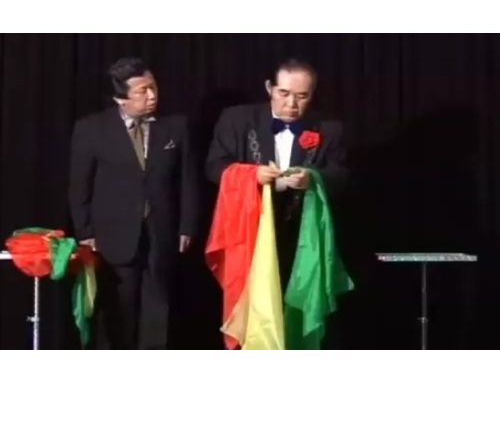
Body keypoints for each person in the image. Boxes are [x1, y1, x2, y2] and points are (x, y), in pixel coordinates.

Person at [68, 57, 199, 350]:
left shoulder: (175, 127)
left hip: (161, 232)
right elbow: (80, 186)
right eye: (142, 91)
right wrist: (85, 232)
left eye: (153, 87)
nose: (152, 95)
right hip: (113, 236)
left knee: (159, 306)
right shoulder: (92, 129)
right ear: (120, 98)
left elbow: (188, 180)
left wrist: (187, 225)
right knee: (118, 309)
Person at [205, 58, 348, 285]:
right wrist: (252, 175)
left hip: (302, 234)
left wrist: (312, 179)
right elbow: (214, 167)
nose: (292, 104)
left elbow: (341, 175)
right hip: (249, 229)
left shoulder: (329, 128)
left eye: (302, 96)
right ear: (269, 88)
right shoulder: (237, 119)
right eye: (284, 93)